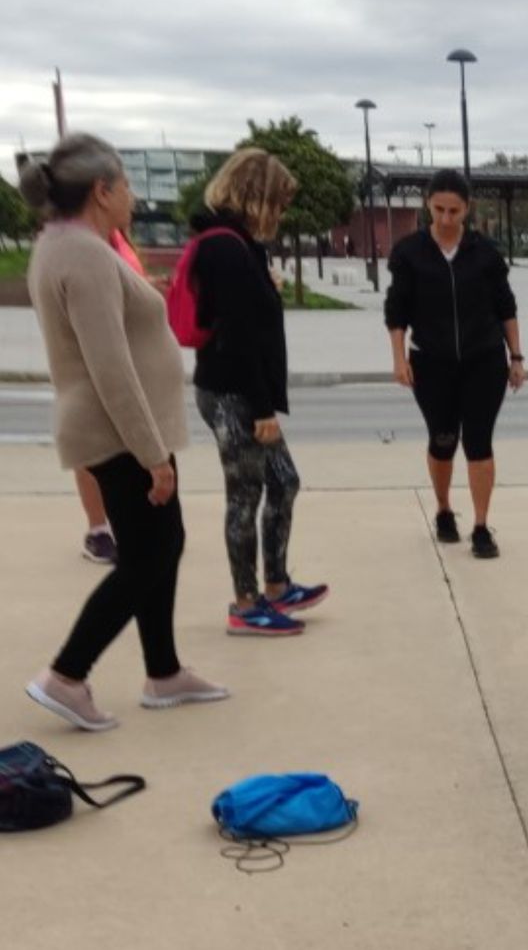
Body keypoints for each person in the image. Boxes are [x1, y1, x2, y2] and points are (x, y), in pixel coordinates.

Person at [21, 134, 227, 730]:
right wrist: (151, 454)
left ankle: (164, 673)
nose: (134, 197)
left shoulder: (69, 245)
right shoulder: (82, 254)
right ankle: (66, 675)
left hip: (122, 430)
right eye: (128, 186)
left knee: (161, 546)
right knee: (147, 556)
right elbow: (109, 367)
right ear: (102, 191)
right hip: (117, 433)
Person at [189, 148, 328, 637]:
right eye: (280, 203)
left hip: (244, 390)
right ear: (257, 197)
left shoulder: (241, 245)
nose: (282, 213)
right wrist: (262, 408)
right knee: (244, 496)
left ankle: (276, 584)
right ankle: (245, 605)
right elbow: (240, 335)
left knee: (284, 481)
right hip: (233, 393)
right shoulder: (224, 248)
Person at [385, 169, 523, 559]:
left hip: (484, 361)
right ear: (428, 204)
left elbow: (506, 307)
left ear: (467, 209)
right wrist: (399, 359)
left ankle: (481, 526)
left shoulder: (486, 253)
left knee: (479, 443)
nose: (446, 219)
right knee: (442, 440)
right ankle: (444, 510)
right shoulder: (409, 252)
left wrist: (516, 357)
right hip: (431, 362)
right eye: (439, 209)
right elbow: (396, 311)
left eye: (454, 211)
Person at [75, 229, 146, 566]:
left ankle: (122, 523)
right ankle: (98, 530)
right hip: (92, 357)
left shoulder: (118, 238)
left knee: (124, 444)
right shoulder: (84, 241)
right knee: (92, 446)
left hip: (128, 353)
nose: (131, 199)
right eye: (124, 189)